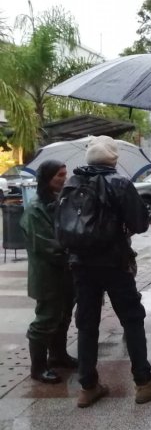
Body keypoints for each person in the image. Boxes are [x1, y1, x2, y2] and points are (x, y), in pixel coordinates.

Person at [68, 135, 151, 408]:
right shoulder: (118, 182)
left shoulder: (72, 181)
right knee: (132, 318)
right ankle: (144, 382)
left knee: (87, 323)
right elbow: (140, 222)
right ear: (113, 158)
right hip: (114, 262)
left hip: (80, 263)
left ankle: (88, 385)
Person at [20, 160, 77, 384]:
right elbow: (46, 246)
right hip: (48, 276)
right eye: (58, 175)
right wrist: (73, 251)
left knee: (63, 317)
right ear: (46, 178)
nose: (63, 178)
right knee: (45, 320)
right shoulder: (35, 210)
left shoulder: (58, 202)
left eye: (65, 174)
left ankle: (58, 355)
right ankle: (38, 366)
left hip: (65, 273)